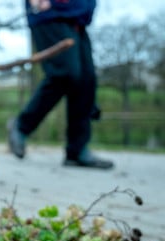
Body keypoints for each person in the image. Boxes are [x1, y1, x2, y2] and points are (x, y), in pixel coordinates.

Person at [8, 0, 113, 169]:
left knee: (87, 79)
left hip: (77, 17)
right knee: (65, 73)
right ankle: (21, 125)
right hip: (50, 13)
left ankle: (77, 150)